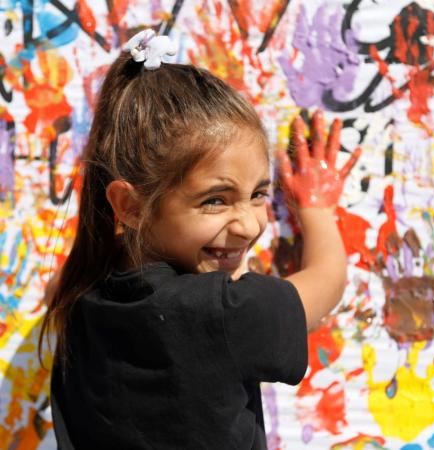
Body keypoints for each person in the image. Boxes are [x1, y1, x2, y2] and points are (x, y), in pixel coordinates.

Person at [39, 29, 360, 450]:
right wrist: (316, 207)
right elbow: (327, 280)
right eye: (215, 200)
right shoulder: (224, 314)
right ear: (129, 206)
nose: (247, 225)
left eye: (258, 194)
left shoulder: (79, 299)